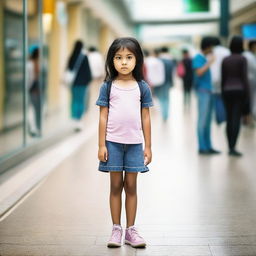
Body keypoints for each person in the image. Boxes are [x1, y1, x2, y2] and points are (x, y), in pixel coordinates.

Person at [96, 37, 153, 248]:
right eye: (118, 58)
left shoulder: (142, 87)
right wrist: (101, 144)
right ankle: (115, 229)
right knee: (115, 185)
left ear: (137, 59)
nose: (124, 62)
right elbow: (103, 116)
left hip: (135, 144)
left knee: (131, 186)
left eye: (129, 57)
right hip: (112, 143)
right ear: (112, 60)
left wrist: (148, 146)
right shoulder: (108, 86)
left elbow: (146, 117)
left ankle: (131, 230)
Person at [221, 36, 250, 157]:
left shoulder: (225, 59)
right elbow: (244, 78)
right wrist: (247, 95)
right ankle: (233, 147)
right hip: (239, 91)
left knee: (229, 119)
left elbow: (223, 78)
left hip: (227, 91)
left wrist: (223, 92)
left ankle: (229, 146)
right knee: (236, 118)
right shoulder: (242, 59)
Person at [192, 37, 221, 155]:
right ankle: (202, 147)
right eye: (212, 47)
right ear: (208, 46)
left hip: (209, 91)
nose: (213, 49)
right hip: (202, 92)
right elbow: (199, 72)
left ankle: (208, 146)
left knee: (208, 121)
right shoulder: (198, 58)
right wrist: (210, 63)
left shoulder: (203, 58)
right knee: (202, 120)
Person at [67, 40, 92, 131]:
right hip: (82, 83)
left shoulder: (72, 56)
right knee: (81, 101)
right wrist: (88, 80)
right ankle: (79, 120)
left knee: (74, 101)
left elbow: (68, 69)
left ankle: (74, 119)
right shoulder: (84, 57)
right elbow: (88, 71)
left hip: (73, 83)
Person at [153, 46, 174, 121]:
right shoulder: (170, 61)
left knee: (161, 98)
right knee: (167, 98)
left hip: (159, 82)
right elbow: (172, 73)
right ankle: (166, 115)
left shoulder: (158, 60)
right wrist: (172, 82)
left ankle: (163, 113)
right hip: (168, 82)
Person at [27, 47, 42, 137]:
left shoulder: (35, 63)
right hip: (33, 89)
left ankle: (36, 128)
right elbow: (32, 79)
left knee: (36, 109)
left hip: (34, 89)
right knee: (33, 109)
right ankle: (33, 128)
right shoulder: (31, 64)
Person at [243, 40, 256, 121]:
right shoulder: (248, 56)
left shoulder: (250, 55)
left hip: (249, 80)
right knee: (250, 99)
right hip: (249, 81)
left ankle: (248, 116)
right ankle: (248, 116)